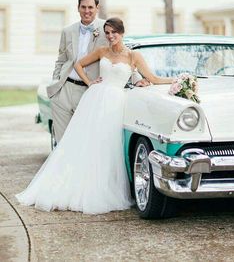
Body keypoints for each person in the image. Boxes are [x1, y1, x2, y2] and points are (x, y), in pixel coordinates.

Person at [16, 17, 173, 214]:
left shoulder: (134, 56)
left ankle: (101, 187)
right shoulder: (102, 51)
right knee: (85, 144)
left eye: (114, 32)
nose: (110, 36)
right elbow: (78, 65)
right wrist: (90, 82)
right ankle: (74, 187)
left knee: (107, 146)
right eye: (107, 32)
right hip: (95, 98)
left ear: (122, 33)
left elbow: (153, 78)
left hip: (116, 102)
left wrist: (176, 80)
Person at [47, 0, 147, 143]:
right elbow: (61, 60)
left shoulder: (107, 28)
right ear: (78, 8)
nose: (87, 11)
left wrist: (137, 78)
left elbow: (123, 53)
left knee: (85, 139)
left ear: (97, 8)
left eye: (90, 7)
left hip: (90, 91)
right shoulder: (67, 31)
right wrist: (56, 82)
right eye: (83, 7)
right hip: (64, 90)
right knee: (62, 142)